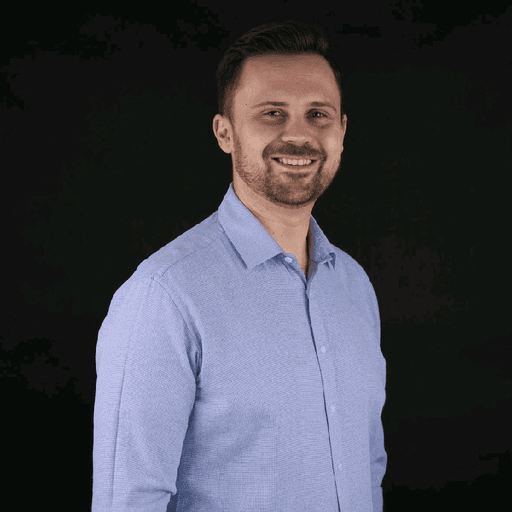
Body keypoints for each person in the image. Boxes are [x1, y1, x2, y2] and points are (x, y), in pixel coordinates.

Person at [92, 19, 387, 512]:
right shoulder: (164, 296)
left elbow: (369, 468)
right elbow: (129, 500)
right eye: (272, 113)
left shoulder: (354, 286)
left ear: (341, 132)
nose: (299, 135)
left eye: (318, 114)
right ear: (225, 133)